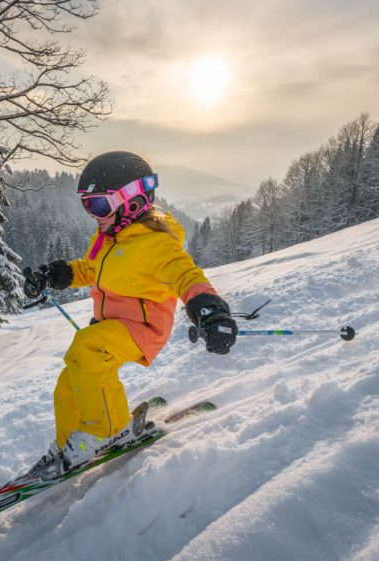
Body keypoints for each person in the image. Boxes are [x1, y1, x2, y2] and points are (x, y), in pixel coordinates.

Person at [23, 151, 237, 478]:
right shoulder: (107, 236)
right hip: (110, 327)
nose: (93, 214)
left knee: (87, 348)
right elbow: (92, 269)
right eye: (86, 204)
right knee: (71, 381)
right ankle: (72, 441)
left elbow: (187, 276)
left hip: (143, 329)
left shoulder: (157, 245)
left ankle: (105, 431)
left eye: (99, 206)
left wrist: (209, 310)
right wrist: (59, 273)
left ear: (132, 202)